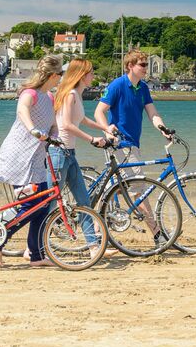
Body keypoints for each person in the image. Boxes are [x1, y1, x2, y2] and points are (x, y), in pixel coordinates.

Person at [0, 53, 63, 268]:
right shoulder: (31, 93)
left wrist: (56, 137)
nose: (61, 78)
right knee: (30, 204)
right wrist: (33, 130)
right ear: (51, 75)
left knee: (43, 205)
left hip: (36, 158)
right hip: (19, 156)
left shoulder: (50, 97)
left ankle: (36, 256)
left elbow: (53, 124)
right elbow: (22, 111)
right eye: (60, 74)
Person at [94, 49, 173, 244]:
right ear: (130, 66)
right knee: (139, 189)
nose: (146, 68)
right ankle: (157, 234)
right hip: (122, 143)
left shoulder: (143, 88)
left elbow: (152, 113)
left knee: (115, 189)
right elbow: (99, 112)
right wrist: (107, 130)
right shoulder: (118, 85)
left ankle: (96, 232)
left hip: (133, 144)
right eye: (143, 65)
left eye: (147, 64)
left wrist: (162, 128)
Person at [51, 58, 110, 243]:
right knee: (50, 202)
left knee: (84, 202)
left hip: (69, 154)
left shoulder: (77, 94)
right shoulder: (70, 95)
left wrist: (106, 129)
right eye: (91, 72)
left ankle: (94, 246)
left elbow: (82, 120)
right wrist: (92, 139)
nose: (93, 75)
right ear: (82, 75)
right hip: (59, 154)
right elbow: (67, 125)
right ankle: (33, 248)